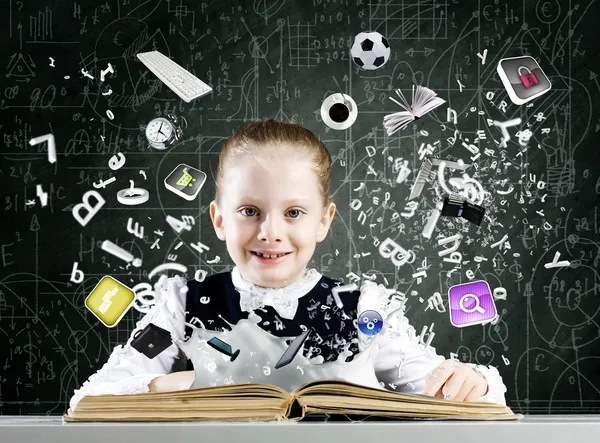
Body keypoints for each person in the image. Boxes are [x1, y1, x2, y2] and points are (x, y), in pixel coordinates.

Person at [68, 119, 507, 416]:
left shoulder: (362, 310)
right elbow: (91, 398)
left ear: (324, 221)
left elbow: (436, 385)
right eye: (249, 210)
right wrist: (186, 383)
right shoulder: (182, 305)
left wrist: (471, 384)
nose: (270, 232)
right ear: (219, 218)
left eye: (294, 212)